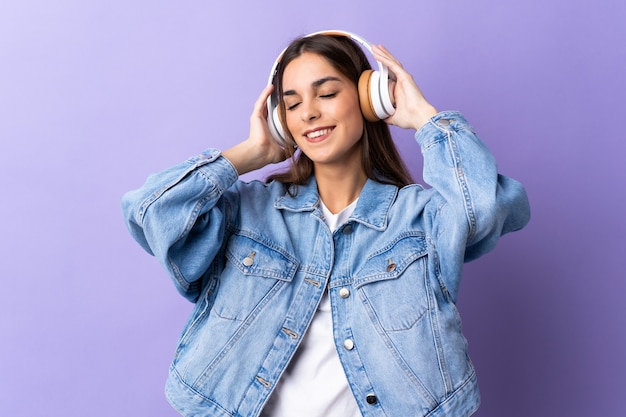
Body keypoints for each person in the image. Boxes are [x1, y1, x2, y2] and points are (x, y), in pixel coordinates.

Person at [122, 31, 530, 417]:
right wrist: (248, 154)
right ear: (281, 120)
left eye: (328, 93)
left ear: (370, 99)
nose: (310, 113)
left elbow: (485, 208)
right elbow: (151, 213)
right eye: (293, 103)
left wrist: (425, 118)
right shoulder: (249, 212)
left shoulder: (419, 220)